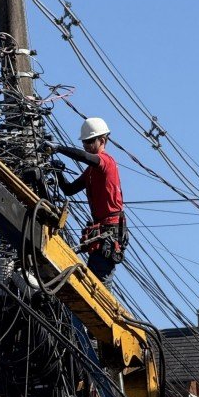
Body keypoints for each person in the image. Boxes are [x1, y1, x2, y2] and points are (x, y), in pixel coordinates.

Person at [47, 117, 127, 285]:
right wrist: (57, 171)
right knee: (92, 279)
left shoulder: (106, 162)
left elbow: (86, 157)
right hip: (101, 231)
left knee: (98, 283)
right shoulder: (92, 171)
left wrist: (58, 148)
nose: (86, 146)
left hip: (109, 231)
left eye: (90, 142)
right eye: (84, 143)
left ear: (102, 140)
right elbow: (69, 190)